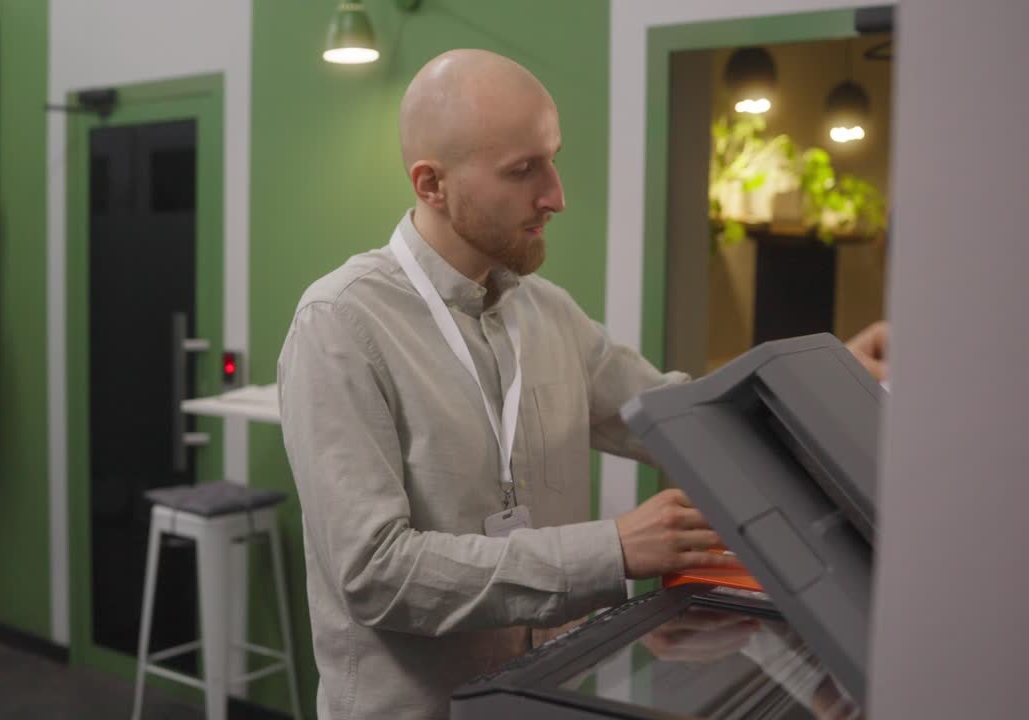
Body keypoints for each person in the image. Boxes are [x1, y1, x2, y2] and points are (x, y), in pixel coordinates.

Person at [278, 49, 879, 720]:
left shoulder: (548, 312)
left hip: (549, 696)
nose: (556, 196)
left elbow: (683, 416)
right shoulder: (339, 326)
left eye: (552, 158)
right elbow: (375, 575)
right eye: (523, 171)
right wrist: (614, 549)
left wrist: (822, 379)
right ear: (431, 184)